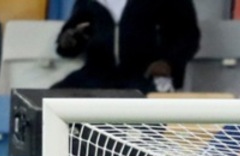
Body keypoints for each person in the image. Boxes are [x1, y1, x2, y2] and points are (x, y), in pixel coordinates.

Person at [53, 0, 200, 93]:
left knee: (148, 113)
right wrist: (68, 40)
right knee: (51, 99)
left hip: (145, 76)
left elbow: (187, 36)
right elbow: (72, 38)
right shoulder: (89, 2)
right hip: (96, 76)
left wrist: (168, 63)